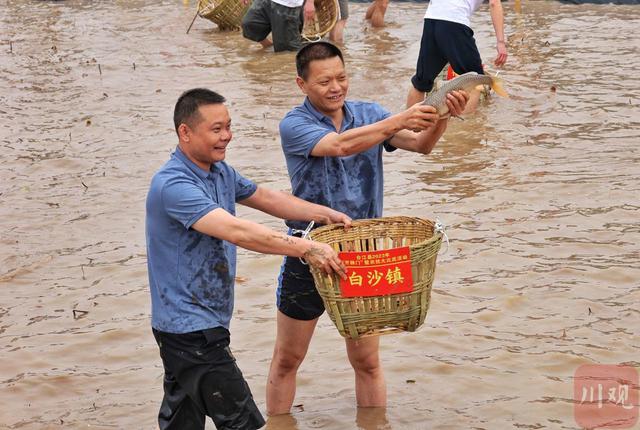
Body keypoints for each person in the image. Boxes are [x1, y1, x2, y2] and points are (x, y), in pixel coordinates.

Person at [266, 42, 468, 415]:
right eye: (324, 81)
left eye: (342, 77)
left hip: (365, 255)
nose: (336, 87)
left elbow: (421, 146)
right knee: (287, 359)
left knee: (368, 362)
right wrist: (400, 118)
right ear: (301, 84)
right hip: (308, 252)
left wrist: (442, 116)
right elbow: (340, 146)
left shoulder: (369, 114)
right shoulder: (294, 124)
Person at [146, 88, 353, 430]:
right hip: (190, 330)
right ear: (185, 132)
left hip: (196, 325)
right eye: (216, 129)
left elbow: (267, 198)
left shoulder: (219, 172)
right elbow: (238, 232)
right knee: (243, 423)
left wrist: (326, 214)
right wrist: (307, 248)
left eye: (228, 126)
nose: (226, 136)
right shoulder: (173, 185)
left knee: (182, 422)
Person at [406, 0, 508, 109]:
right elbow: (494, 3)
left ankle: (408, 123)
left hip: (431, 18)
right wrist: (501, 42)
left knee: (421, 82)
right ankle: (465, 125)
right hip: (455, 20)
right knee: (475, 79)